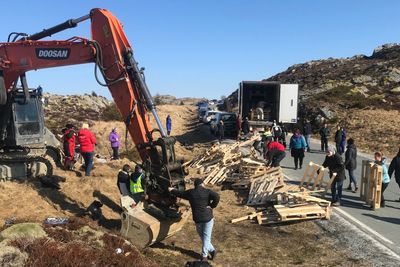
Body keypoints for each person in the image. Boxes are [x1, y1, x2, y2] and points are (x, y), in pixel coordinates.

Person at [168, 178, 220, 261]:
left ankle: (204, 256)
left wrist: (172, 190)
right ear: (202, 184)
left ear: (195, 185)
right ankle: (212, 250)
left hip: (198, 219)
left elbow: (180, 194)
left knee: (204, 237)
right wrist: (212, 205)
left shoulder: (191, 193)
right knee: (205, 238)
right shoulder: (207, 191)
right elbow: (217, 196)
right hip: (208, 218)